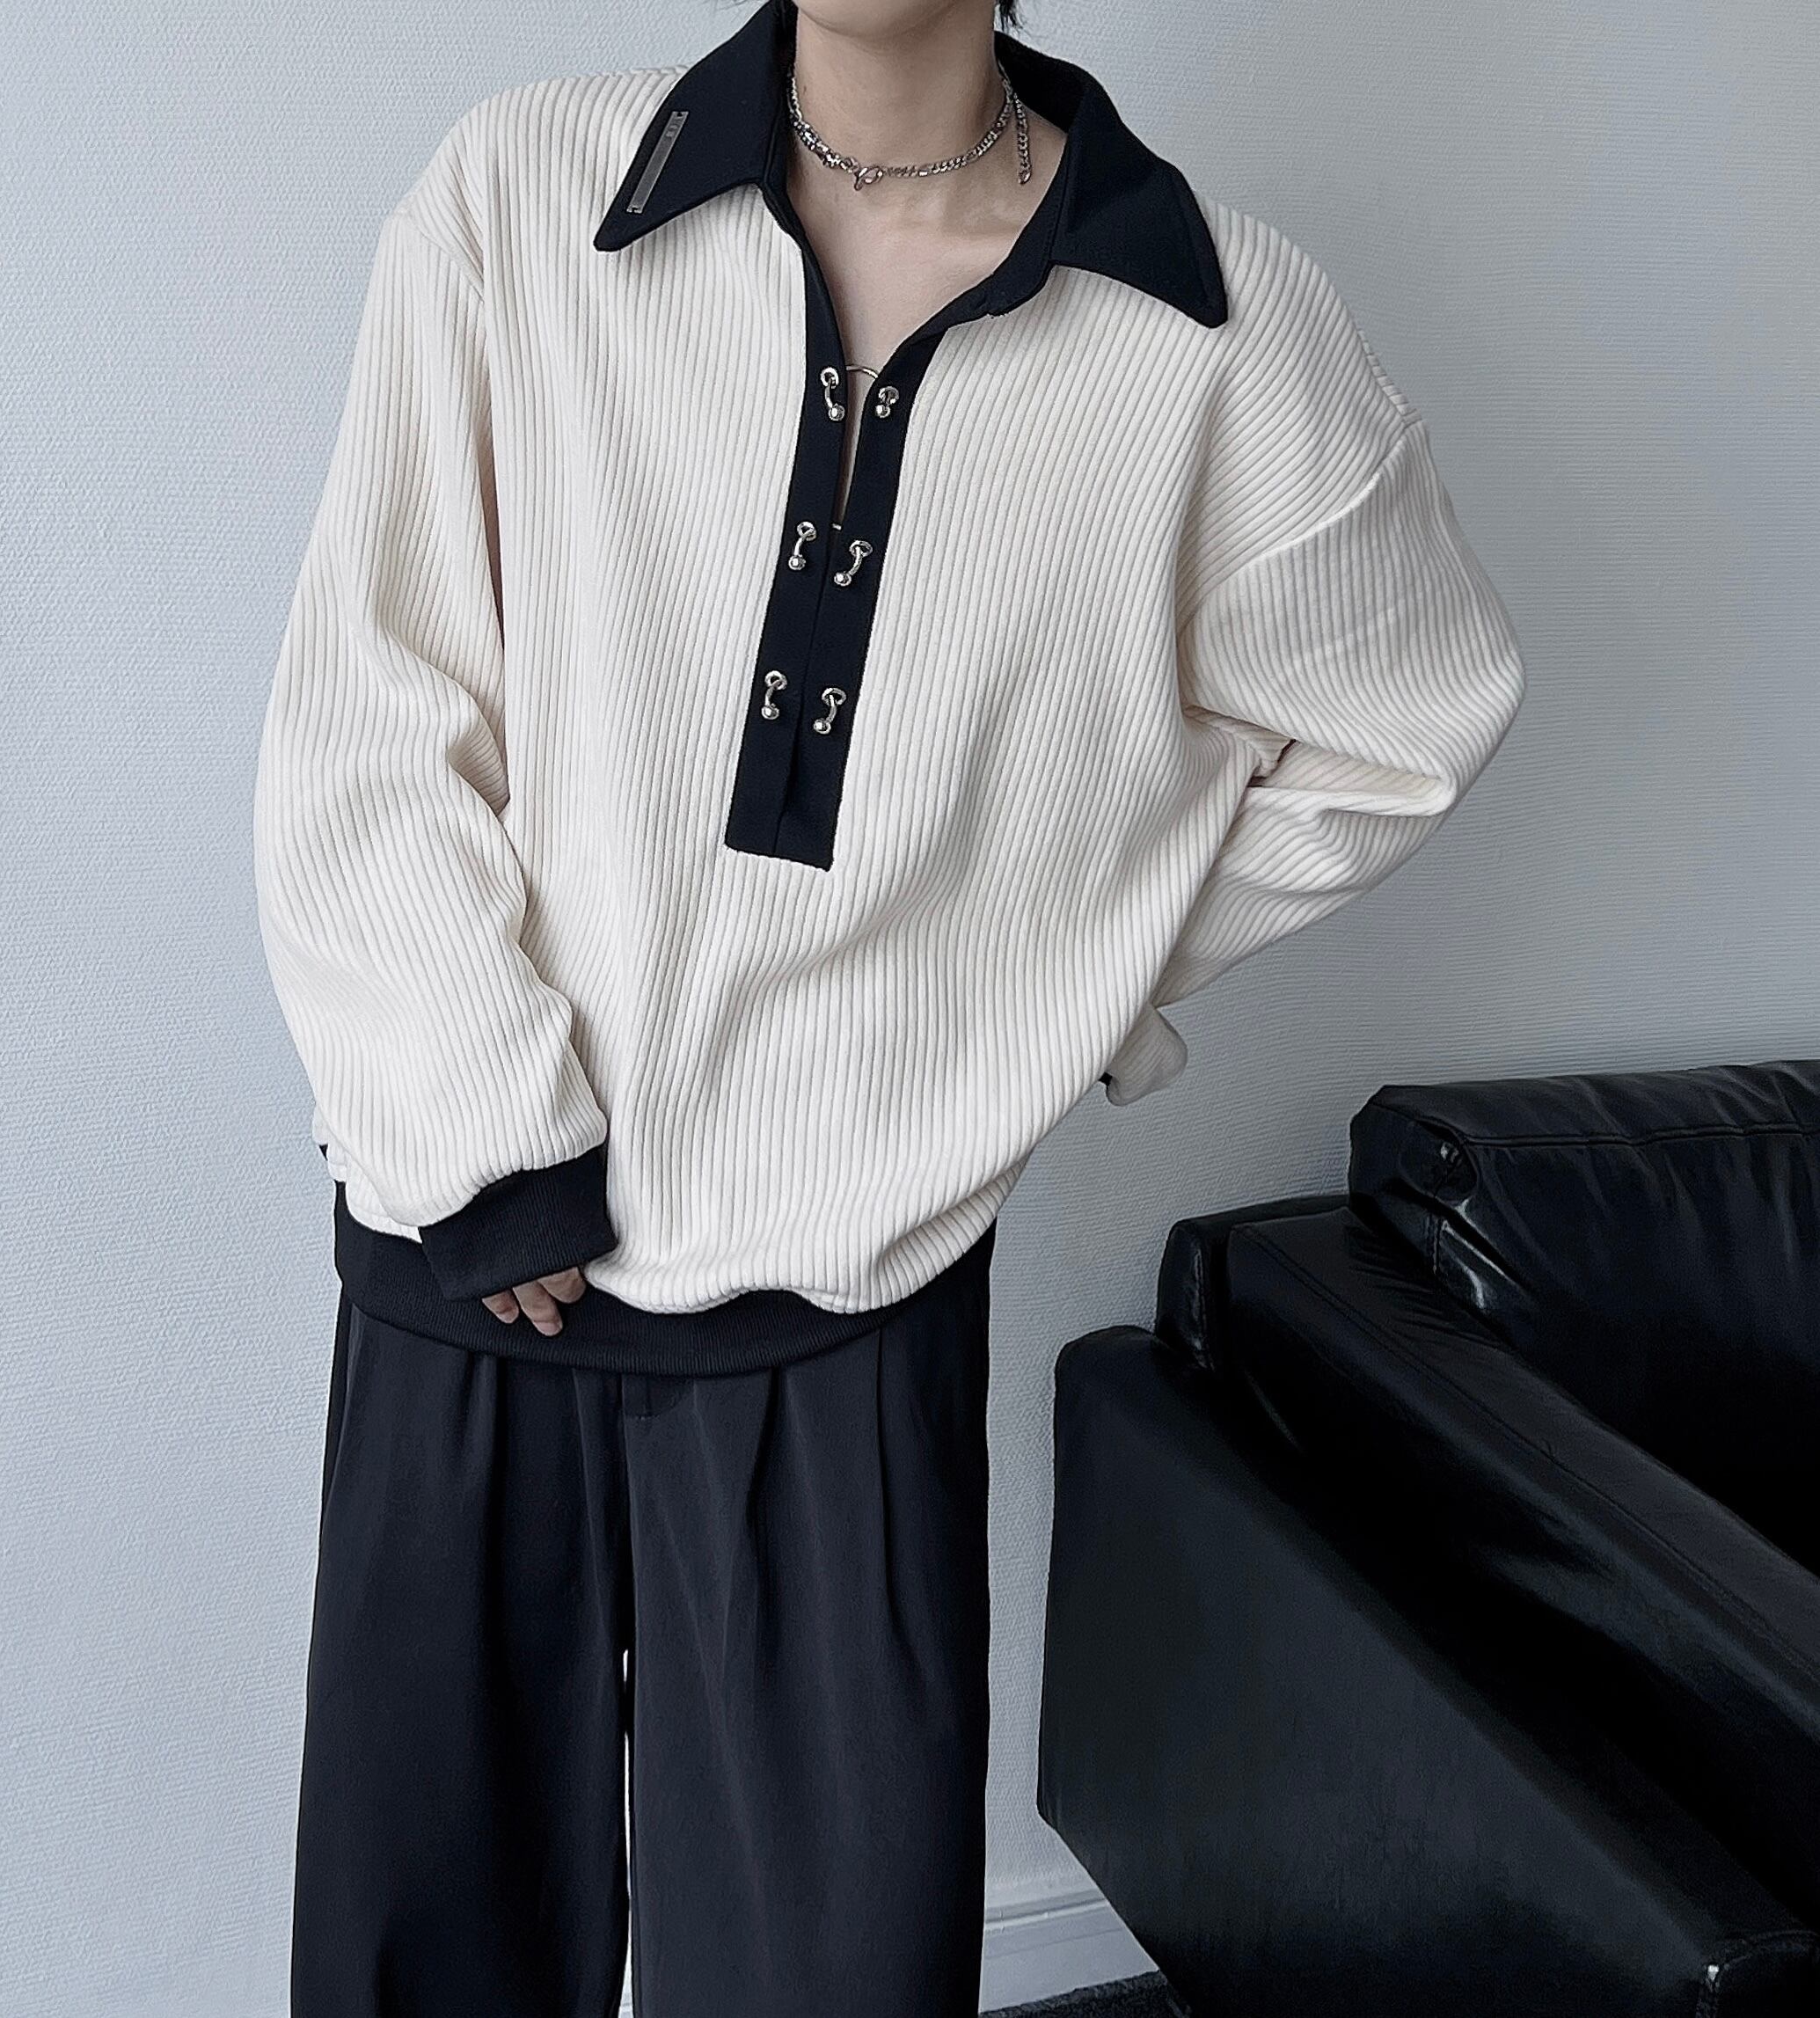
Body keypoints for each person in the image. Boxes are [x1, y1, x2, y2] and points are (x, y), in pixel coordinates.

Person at [251, 0, 1527, 2010]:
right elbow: (369, 708)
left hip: (852, 1312)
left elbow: (1411, 705)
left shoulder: (1202, 317)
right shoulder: (527, 193)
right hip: (469, 1276)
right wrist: (484, 1133)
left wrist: (1049, 973)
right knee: (428, 1964)